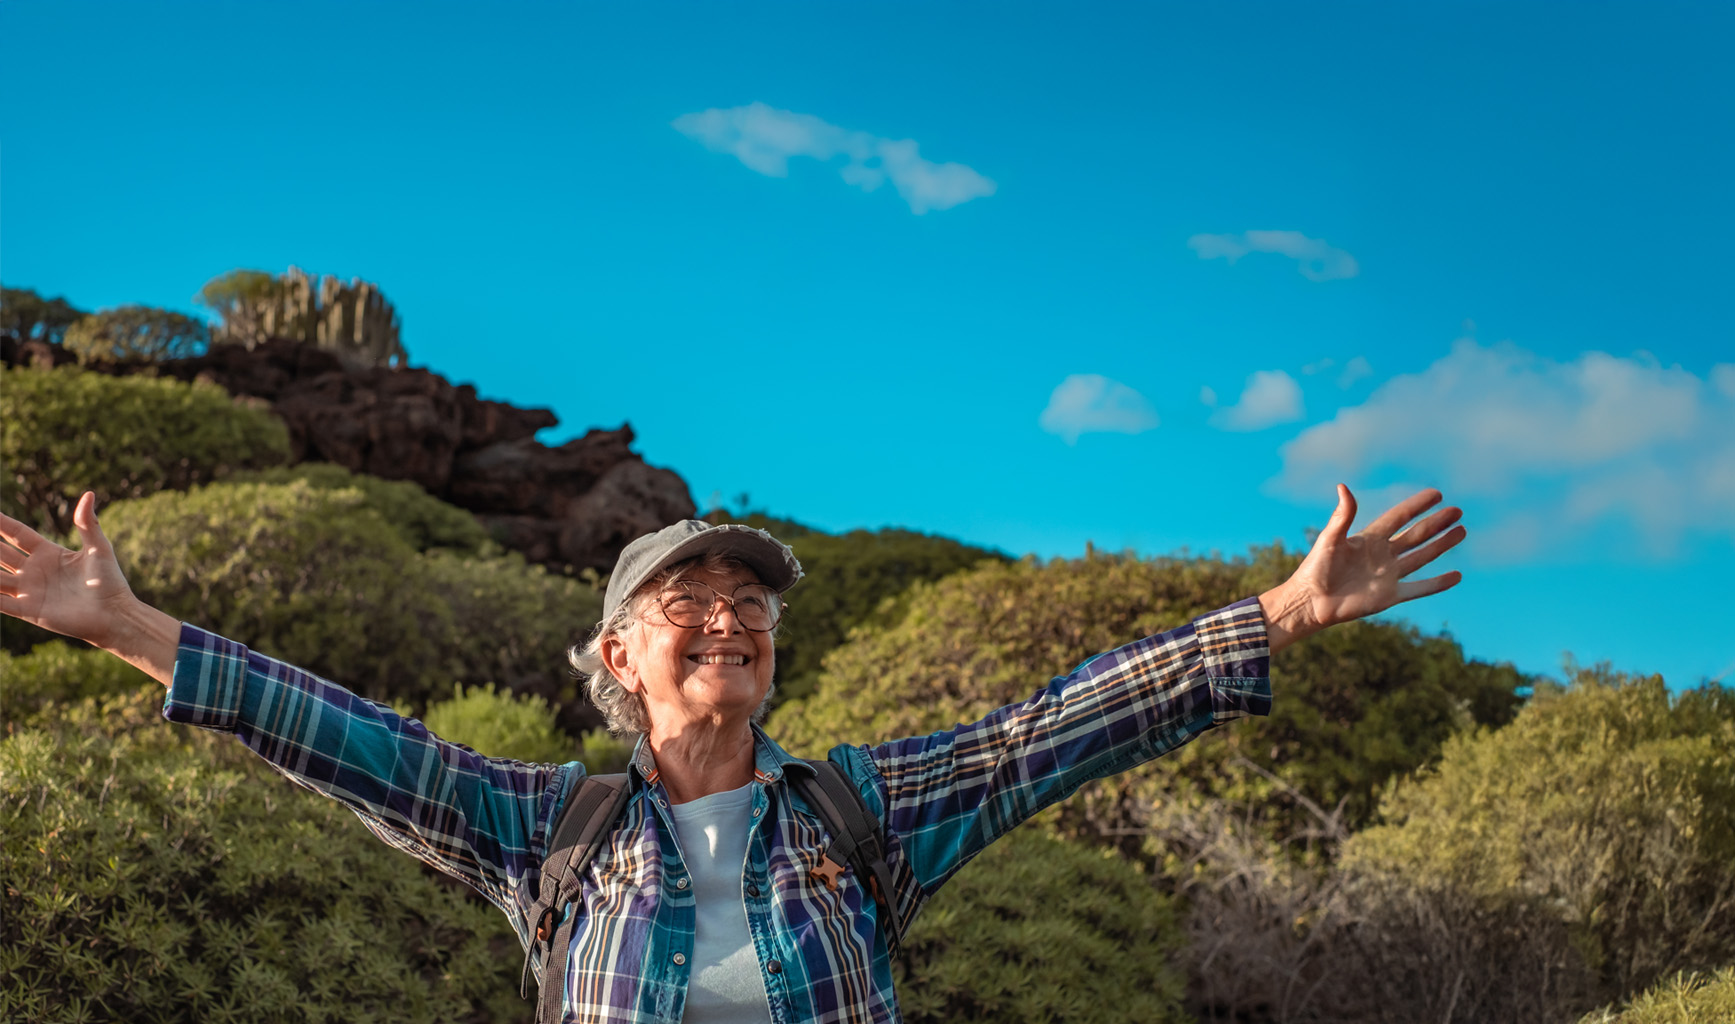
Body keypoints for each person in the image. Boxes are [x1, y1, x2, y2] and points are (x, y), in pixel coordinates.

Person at [0, 483, 1465, 1023]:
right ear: (619, 660)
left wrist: (1278, 614)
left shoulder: (863, 812)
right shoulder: (545, 829)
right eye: (685, 604)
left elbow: (1057, 731)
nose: (727, 620)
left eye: (750, 605)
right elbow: (351, 744)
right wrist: (133, 632)